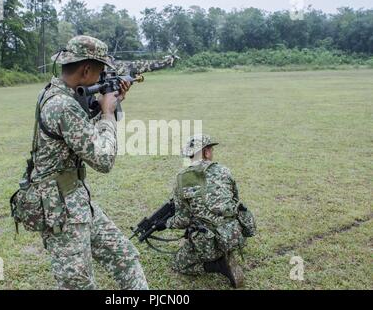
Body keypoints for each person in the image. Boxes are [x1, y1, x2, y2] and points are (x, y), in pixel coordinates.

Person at [29, 35, 148, 290]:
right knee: (78, 284)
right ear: (86, 69)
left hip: (76, 200)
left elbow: (80, 134)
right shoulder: (62, 105)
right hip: (60, 209)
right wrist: (107, 113)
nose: (102, 76)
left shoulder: (59, 94)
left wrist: (114, 103)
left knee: (125, 257)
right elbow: (103, 159)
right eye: (100, 70)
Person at [164, 134, 256, 288]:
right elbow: (234, 201)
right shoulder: (224, 170)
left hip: (210, 243)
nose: (212, 152)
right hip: (235, 235)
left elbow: (183, 220)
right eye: (211, 150)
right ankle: (227, 252)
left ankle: (218, 265)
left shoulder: (181, 179)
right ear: (206, 152)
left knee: (178, 264)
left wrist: (167, 223)